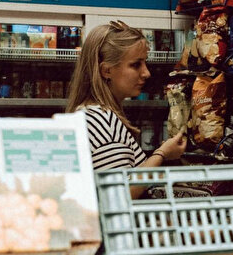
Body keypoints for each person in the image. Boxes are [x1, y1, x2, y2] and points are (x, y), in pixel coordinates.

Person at [66, 20, 186, 174]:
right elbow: (122, 193)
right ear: (106, 71)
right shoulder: (102, 122)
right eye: (136, 65)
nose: (146, 73)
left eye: (145, 63)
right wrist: (161, 155)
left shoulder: (91, 114)